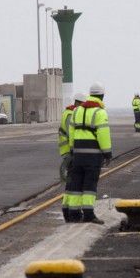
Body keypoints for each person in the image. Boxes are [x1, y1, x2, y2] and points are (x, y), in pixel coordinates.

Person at [63, 82, 112, 224]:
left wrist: (72, 150)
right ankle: (89, 214)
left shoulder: (77, 111)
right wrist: (107, 153)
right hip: (93, 155)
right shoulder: (100, 112)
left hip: (78, 153)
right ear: (101, 96)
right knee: (90, 185)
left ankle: (73, 214)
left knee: (76, 184)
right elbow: (103, 134)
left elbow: (71, 132)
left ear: (90, 95)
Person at [59, 93, 86, 222]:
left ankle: (67, 209)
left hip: (68, 151)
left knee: (70, 183)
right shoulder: (70, 114)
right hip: (70, 152)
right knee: (73, 182)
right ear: (78, 103)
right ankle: (72, 211)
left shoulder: (69, 112)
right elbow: (71, 134)